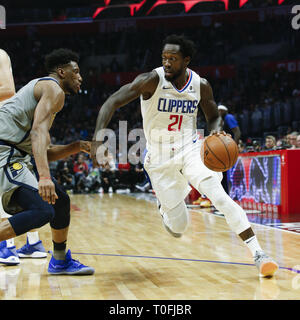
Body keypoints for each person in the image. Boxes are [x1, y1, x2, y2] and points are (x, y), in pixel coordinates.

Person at [91, 34, 278, 277]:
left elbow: (212, 116)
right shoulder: (151, 80)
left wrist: (215, 132)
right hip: (159, 158)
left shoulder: (200, 85)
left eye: (173, 58)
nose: (167, 63)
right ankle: (165, 207)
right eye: (164, 58)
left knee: (220, 197)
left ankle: (258, 254)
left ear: (186, 60)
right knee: (179, 226)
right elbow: (111, 102)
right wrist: (97, 140)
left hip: (191, 149)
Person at [0, 48, 94, 275]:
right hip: (5, 153)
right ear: (61, 72)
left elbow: (44, 149)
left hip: (15, 153)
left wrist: (77, 146)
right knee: (43, 210)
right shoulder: (53, 89)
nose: (80, 78)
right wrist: (44, 177)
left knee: (59, 201)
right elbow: (38, 133)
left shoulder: (45, 94)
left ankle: (60, 261)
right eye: (76, 72)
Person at [0, 49, 47, 264]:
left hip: (6, 130)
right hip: (13, 132)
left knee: (7, 189)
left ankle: (6, 246)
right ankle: (34, 242)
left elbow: (7, 89)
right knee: (22, 191)